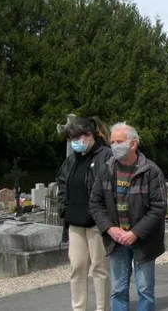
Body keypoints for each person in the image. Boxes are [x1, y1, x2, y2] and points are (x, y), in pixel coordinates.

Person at [89, 122, 167, 311]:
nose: (114, 146)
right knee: (118, 289)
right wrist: (109, 228)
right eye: (112, 142)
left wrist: (136, 233)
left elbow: (159, 208)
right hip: (117, 241)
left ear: (133, 144)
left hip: (144, 241)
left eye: (119, 142)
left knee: (145, 289)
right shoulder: (106, 170)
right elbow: (95, 203)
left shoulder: (151, 171)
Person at [56, 116, 112, 311]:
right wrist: (64, 208)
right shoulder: (72, 159)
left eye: (77, 139)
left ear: (89, 135)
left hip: (97, 222)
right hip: (75, 222)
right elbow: (62, 183)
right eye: (72, 140)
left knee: (100, 268)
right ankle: (78, 308)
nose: (74, 143)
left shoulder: (104, 155)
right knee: (77, 267)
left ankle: (102, 308)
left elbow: (107, 187)